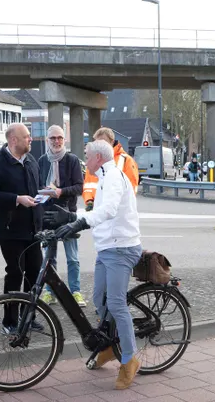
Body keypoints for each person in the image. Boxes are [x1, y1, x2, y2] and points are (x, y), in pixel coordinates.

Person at [44, 140, 142, 389]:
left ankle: (130, 360)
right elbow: (97, 212)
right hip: (107, 248)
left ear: (98, 157)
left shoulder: (112, 177)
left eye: (86, 156)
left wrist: (76, 223)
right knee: (99, 300)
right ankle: (109, 346)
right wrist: (71, 217)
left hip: (121, 248)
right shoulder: (102, 176)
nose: (83, 160)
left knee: (117, 303)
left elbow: (107, 211)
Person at [0, 123, 44, 332]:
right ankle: (10, 321)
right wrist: (17, 199)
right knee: (15, 273)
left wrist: (47, 193)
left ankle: (29, 316)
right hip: (9, 230)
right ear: (13, 140)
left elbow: (38, 186)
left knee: (35, 274)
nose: (31, 139)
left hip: (33, 229)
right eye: (27, 136)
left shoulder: (31, 161)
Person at [37, 125, 85, 307]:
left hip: (67, 214)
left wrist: (60, 191)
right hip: (48, 214)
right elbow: (37, 185)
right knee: (50, 257)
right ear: (47, 140)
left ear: (64, 140)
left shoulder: (72, 160)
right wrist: (43, 192)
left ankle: (76, 291)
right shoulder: (42, 161)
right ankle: (50, 292)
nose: (56, 141)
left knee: (72, 257)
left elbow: (79, 187)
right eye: (53, 138)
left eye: (60, 138)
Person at [83, 127, 138, 211]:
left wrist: (118, 205)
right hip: (96, 207)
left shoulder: (126, 160)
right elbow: (88, 185)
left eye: (103, 142)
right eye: (97, 142)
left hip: (117, 210)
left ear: (112, 141)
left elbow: (131, 187)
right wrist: (89, 201)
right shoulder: (93, 160)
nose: (100, 145)